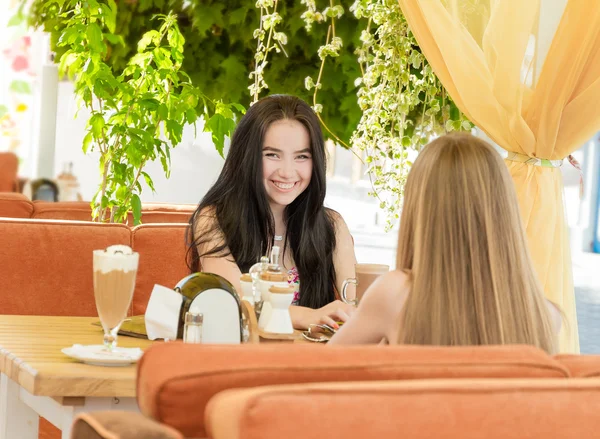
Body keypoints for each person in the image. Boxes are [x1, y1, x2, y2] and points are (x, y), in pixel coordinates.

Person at [329, 133, 561, 354]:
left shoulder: (394, 293)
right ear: (504, 208)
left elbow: (320, 367)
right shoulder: (545, 315)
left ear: (419, 209)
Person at [187, 94, 356, 330]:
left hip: (312, 360)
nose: (288, 172)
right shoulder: (213, 219)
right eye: (272, 155)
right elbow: (237, 303)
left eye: (302, 157)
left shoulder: (332, 225)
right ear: (247, 157)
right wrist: (310, 316)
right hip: (242, 360)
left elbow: (354, 305)